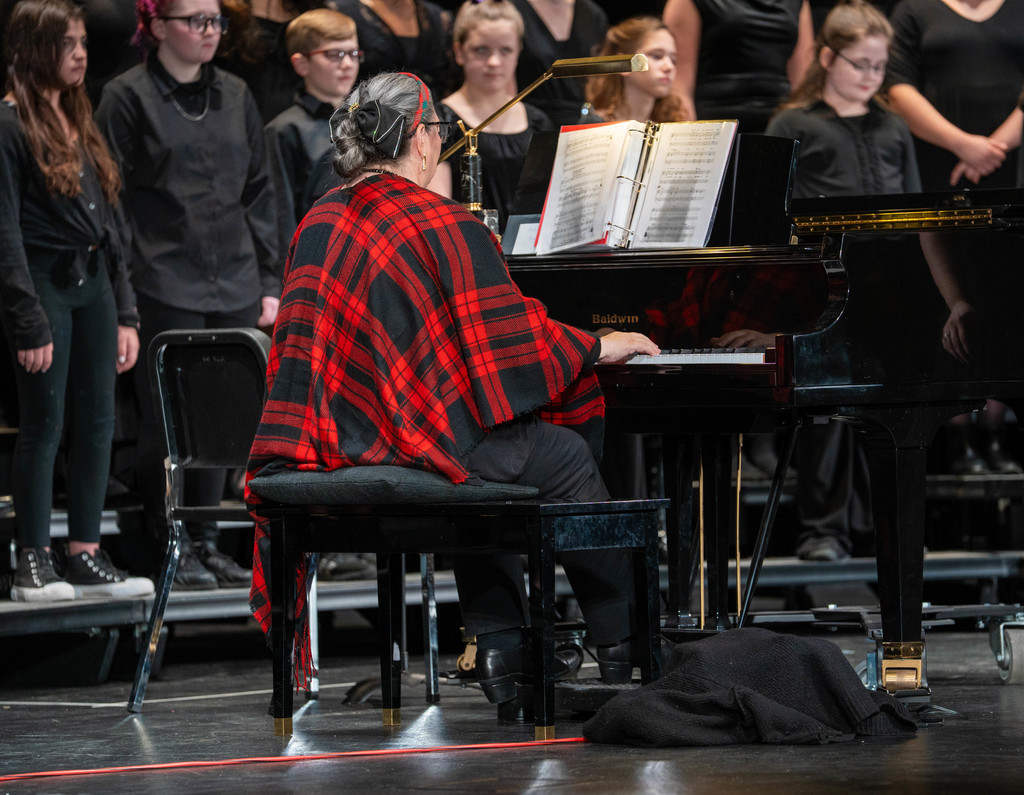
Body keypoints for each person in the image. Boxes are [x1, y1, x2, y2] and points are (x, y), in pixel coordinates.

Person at [245, 71, 661, 706]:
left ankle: (503, 646)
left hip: (324, 441)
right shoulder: (441, 221)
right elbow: (513, 339)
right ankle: (622, 645)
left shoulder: (317, 221)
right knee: (558, 456)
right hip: (407, 442)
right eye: (437, 131)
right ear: (418, 139)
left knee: (484, 448)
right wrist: (599, 345)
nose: (440, 142)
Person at [96, 0, 280, 590]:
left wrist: (270, 281)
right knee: (167, 422)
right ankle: (171, 542)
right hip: (162, 277)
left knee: (224, 418)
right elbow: (110, 201)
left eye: (216, 20)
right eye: (195, 20)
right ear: (155, 26)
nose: (210, 31)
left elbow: (260, 190)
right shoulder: (125, 97)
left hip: (235, 276)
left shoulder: (235, 92)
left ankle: (206, 539)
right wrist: (123, 293)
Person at [0, 0, 153, 601]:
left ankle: (84, 553)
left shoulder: (78, 115)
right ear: (34, 48)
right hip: (45, 284)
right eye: (67, 43)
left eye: (84, 42)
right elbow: (5, 232)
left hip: (96, 285)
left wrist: (127, 312)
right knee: (44, 422)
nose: (81, 54)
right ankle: (33, 560)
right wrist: (27, 318)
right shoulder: (10, 123)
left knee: (97, 422)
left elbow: (111, 224)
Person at [758, 0, 920, 561]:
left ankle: (885, 528)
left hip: (888, 285)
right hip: (820, 284)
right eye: (860, 65)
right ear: (827, 58)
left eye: (879, 67)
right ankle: (823, 529)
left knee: (890, 410)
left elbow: (914, 208)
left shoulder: (893, 125)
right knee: (827, 412)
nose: (871, 77)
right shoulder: (793, 124)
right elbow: (772, 214)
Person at [264, 6, 377, 581]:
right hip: (313, 284)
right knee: (319, 414)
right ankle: (324, 534)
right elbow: (276, 212)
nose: (347, 64)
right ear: (301, 62)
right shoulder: (285, 130)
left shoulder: (365, 126)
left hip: (361, 284)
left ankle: (359, 529)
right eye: (335, 55)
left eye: (354, 54)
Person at [429, 0, 552, 232]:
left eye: (506, 50)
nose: (494, 62)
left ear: (518, 53)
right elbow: (439, 211)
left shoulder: (538, 122)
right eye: (481, 50)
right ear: (459, 52)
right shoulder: (441, 120)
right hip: (469, 247)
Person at [886, 0, 1024, 192]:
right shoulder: (913, 8)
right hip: (936, 156)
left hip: (1016, 155)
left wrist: (996, 148)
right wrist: (962, 145)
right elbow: (899, 88)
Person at [663, 0, 815, 132]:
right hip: (715, 127)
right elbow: (679, 89)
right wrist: (688, 142)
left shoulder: (798, 3)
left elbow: (802, 87)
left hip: (777, 125)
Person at [509, 0, 608, 127]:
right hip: (532, 123)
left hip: (586, 125)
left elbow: (603, 77)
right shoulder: (512, 10)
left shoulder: (592, 13)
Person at [334, 0, 454, 103]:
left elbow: (449, 80)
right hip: (365, 117)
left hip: (431, 117)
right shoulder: (343, 10)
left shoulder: (439, 17)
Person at [583, 15, 685, 124]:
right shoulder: (596, 125)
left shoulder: (671, 126)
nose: (669, 67)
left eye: (673, 60)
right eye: (656, 56)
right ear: (624, 64)